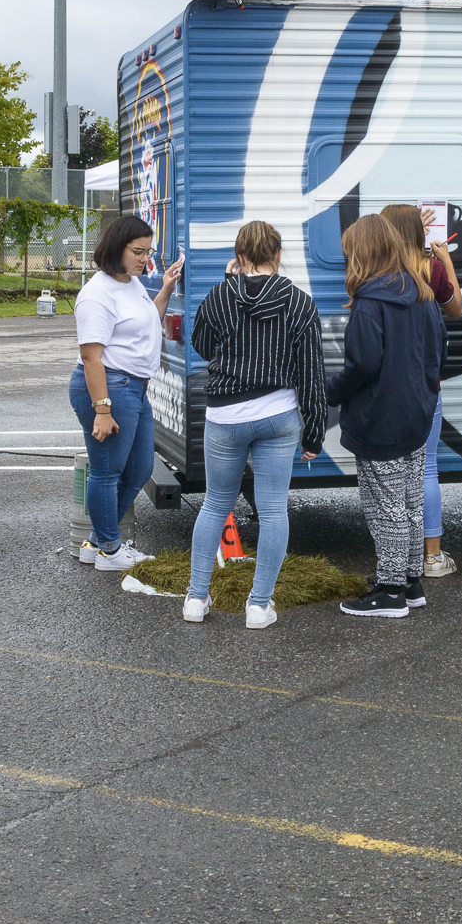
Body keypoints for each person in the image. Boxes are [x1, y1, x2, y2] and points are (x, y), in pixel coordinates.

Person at [180, 220, 329, 630]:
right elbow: (311, 373)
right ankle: (259, 606)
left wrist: (228, 285)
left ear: (240, 256)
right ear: (278, 255)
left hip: (225, 416)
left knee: (215, 503)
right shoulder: (300, 302)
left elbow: (202, 346)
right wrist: (315, 431)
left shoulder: (220, 294)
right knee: (273, 509)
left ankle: (195, 598)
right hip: (278, 416)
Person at [326, 216, 443, 618]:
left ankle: (391, 593)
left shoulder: (370, 301)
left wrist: (330, 392)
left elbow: (362, 364)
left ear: (362, 252)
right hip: (416, 416)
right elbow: (436, 355)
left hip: (380, 419)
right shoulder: (422, 291)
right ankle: (411, 583)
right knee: (409, 502)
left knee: (385, 506)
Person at [70, 215, 184, 572]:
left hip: (133, 387)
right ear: (115, 248)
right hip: (111, 387)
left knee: (137, 471)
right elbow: (91, 357)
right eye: (137, 252)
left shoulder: (129, 283)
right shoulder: (97, 293)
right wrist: (102, 410)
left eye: (147, 252)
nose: (143, 260)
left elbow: (147, 320)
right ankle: (109, 550)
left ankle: (98, 543)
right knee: (107, 472)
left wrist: (164, 290)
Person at [380, 203, 462, 579]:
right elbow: (456, 309)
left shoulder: (376, 271)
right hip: (427, 386)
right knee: (425, 469)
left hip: (388, 387)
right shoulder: (431, 268)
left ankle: (395, 557)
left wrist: (407, 226)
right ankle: (431, 557)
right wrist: (444, 258)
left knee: (389, 472)